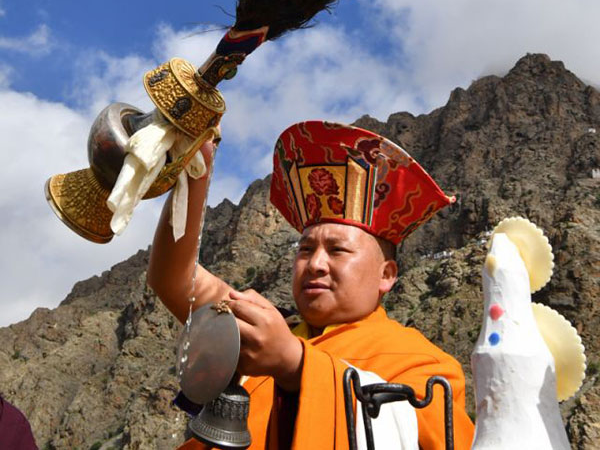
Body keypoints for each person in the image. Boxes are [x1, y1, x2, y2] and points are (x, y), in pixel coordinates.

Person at [148, 120, 475, 450]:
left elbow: (426, 436)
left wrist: (294, 364)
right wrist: (197, 164)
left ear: (386, 275)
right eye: (305, 249)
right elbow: (174, 277)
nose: (315, 263)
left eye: (337, 250)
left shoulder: (425, 364)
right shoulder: (266, 331)